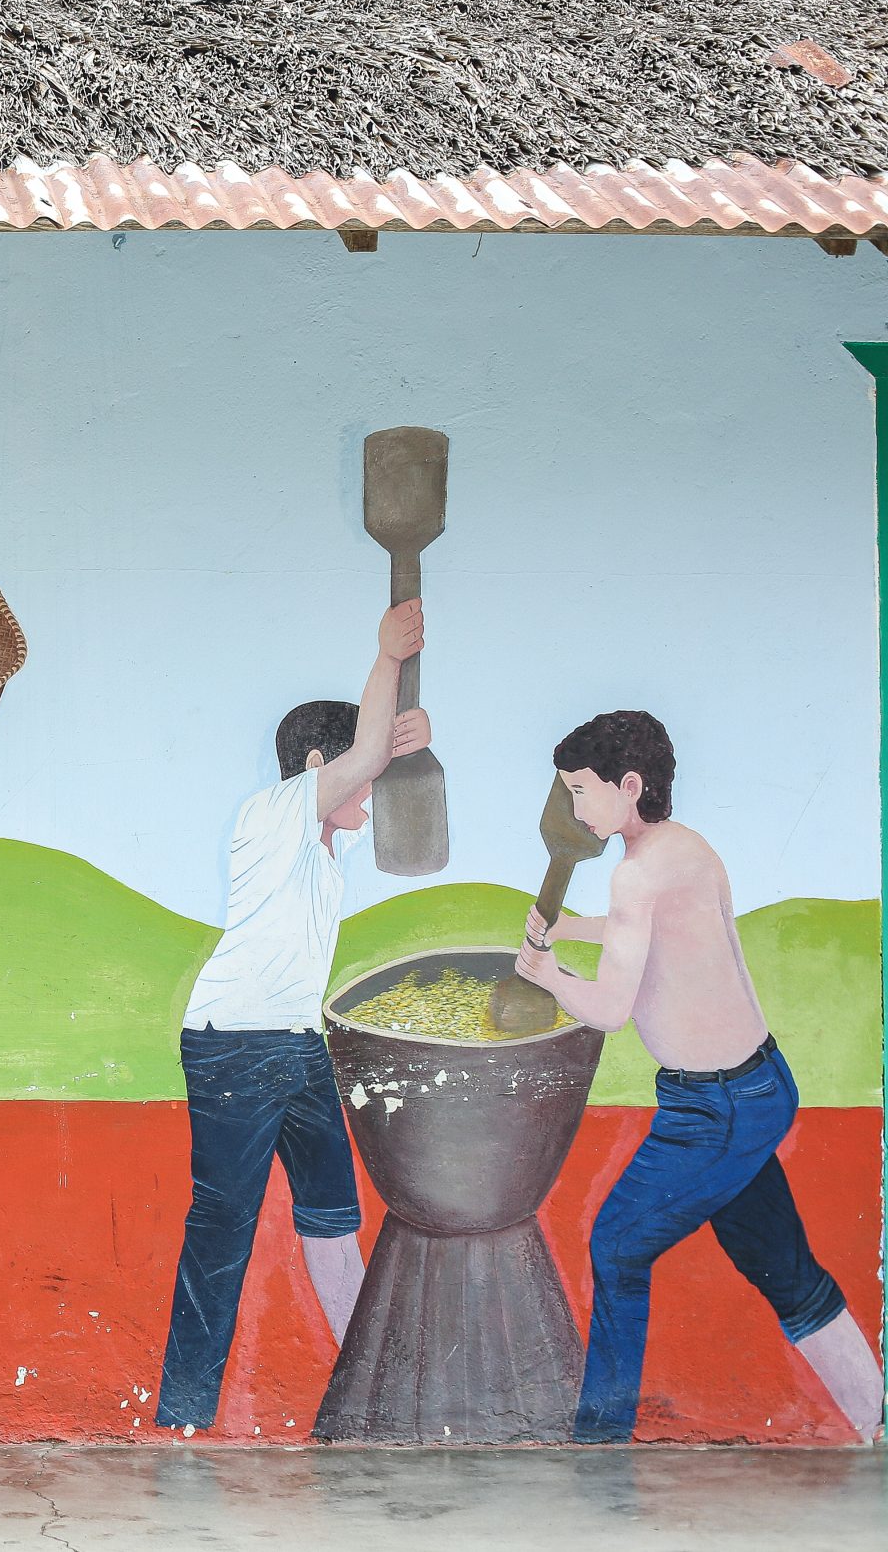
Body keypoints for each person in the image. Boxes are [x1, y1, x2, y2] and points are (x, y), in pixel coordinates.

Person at [516, 710, 883, 1444]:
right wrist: (573, 928)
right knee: (783, 1267)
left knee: (617, 1246)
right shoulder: (689, 850)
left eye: (582, 791)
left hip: (712, 1110)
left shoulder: (633, 874)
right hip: (761, 1083)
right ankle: (876, 1412)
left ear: (628, 785)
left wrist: (548, 974)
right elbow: (646, 930)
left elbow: (611, 1009)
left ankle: (600, 1445)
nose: (576, 808)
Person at [155, 599, 433, 1433]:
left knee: (332, 1217)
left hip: (296, 1045)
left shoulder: (323, 846)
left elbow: (378, 749)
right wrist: (385, 661)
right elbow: (357, 758)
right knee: (223, 1230)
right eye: (359, 771)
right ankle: (183, 1415)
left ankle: (370, 1393)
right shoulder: (273, 815)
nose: (371, 790)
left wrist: (392, 737)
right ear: (319, 764)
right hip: (233, 1048)